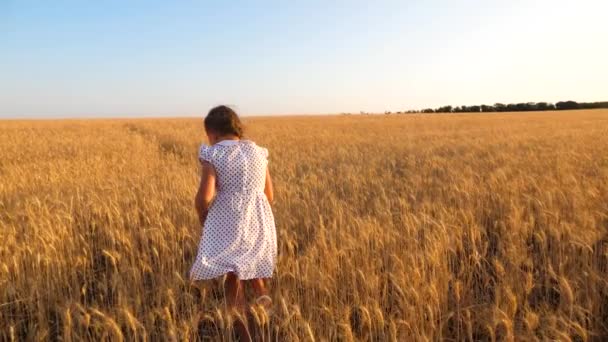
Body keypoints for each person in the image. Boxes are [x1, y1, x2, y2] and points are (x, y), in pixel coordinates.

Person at [190, 105, 277, 317]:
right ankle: (266, 312)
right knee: (250, 261)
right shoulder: (258, 152)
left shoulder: (214, 153)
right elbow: (270, 195)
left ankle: (243, 329)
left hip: (227, 220)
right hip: (259, 219)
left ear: (212, 133)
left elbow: (205, 197)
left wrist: (204, 217)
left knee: (232, 275)